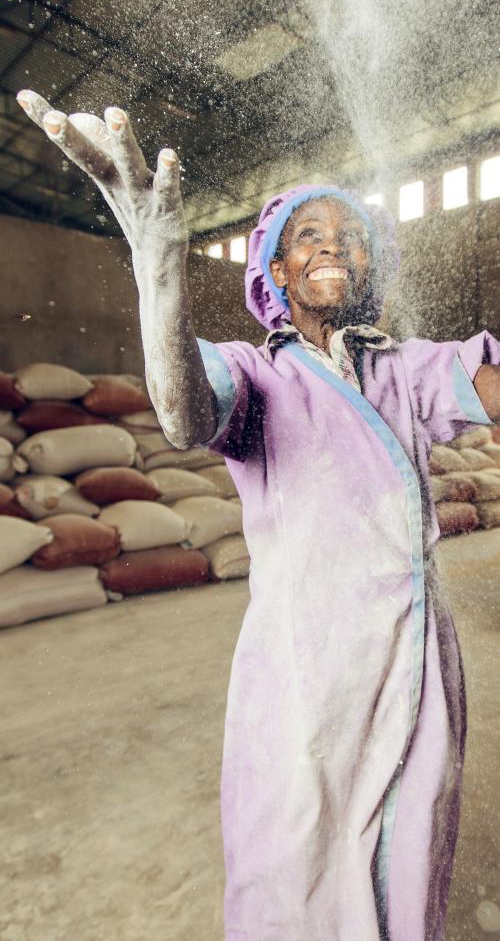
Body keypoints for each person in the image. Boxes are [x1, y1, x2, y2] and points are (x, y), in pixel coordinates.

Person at [16, 91, 500, 941]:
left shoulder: (402, 368)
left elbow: (489, 385)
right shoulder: (254, 372)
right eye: (306, 236)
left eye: (348, 235)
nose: (332, 247)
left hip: (413, 670)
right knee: (293, 869)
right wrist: (159, 269)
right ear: (274, 271)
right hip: (304, 675)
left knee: (407, 859)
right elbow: (182, 416)